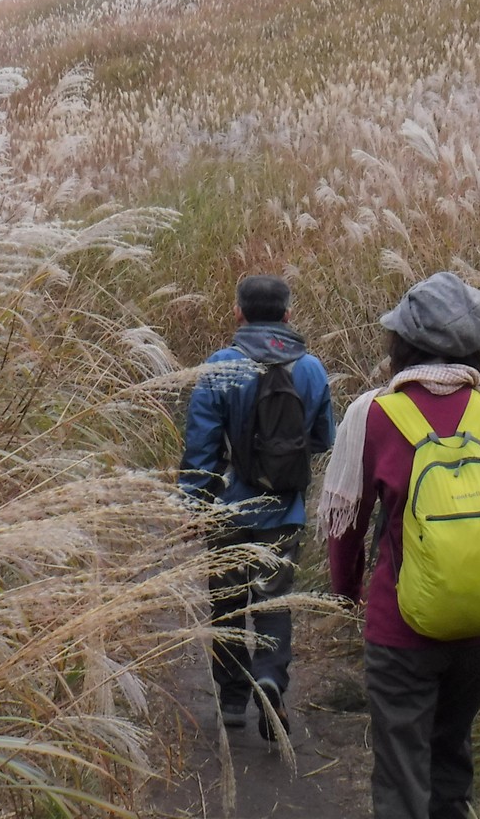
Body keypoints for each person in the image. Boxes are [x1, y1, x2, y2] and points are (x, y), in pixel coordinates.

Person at [320, 272, 480, 819]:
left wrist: (348, 594)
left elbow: (345, 525)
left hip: (401, 629)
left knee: (401, 774)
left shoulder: (372, 414)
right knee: (450, 761)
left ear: (402, 344)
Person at [179, 274, 336, 738]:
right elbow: (323, 438)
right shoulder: (312, 368)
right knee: (274, 601)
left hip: (227, 508)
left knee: (227, 602)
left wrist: (193, 504)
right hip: (284, 510)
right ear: (288, 315)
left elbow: (201, 447)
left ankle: (231, 699)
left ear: (238, 313)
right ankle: (271, 678)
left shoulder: (220, 366)